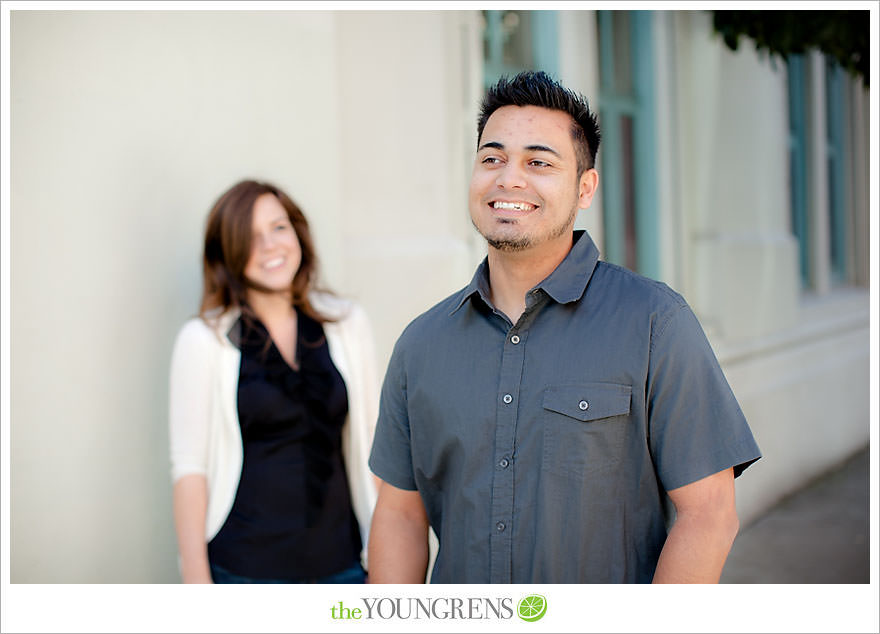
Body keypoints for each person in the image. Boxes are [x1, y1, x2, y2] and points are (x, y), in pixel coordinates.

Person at [367, 71, 762, 584]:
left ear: (584, 188)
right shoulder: (421, 343)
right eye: (492, 158)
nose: (509, 178)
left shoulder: (655, 323)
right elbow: (400, 514)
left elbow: (709, 515)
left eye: (538, 162)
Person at [169, 179, 379, 583]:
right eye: (249, 237)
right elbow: (190, 469)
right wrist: (196, 587)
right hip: (244, 572)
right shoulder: (203, 341)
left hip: (344, 567)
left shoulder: (347, 324)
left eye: (278, 228)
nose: (269, 246)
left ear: (297, 233)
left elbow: (372, 442)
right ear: (227, 253)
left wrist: (385, 557)